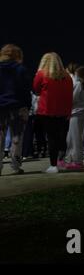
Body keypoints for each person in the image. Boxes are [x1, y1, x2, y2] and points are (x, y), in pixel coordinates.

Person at [33, 52, 73, 174]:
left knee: (51, 137)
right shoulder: (67, 77)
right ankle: (61, 159)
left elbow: (35, 89)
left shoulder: (42, 74)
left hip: (47, 110)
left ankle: (53, 165)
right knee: (61, 136)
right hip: (63, 111)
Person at [0, 44, 32, 176]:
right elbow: (25, 90)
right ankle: (15, 165)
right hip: (18, 106)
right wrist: (27, 105)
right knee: (17, 137)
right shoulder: (21, 69)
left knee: (0, 136)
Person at [65, 64, 84, 170]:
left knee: (75, 138)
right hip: (83, 113)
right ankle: (74, 160)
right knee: (75, 137)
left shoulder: (79, 84)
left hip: (76, 113)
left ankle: (77, 161)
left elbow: (72, 99)